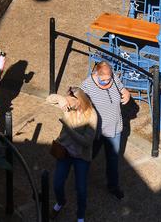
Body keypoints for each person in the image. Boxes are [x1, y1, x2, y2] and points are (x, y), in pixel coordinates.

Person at [80, 62, 130, 200]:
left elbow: (122, 88)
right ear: (96, 73)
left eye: (109, 78)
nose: (108, 81)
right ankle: (80, 181)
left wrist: (126, 93)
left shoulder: (113, 78)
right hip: (96, 131)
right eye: (105, 79)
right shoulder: (87, 85)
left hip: (114, 128)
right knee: (87, 157)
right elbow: (77, 100)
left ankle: (113, 187)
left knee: (113, 160)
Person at [47, 86, 98, 221]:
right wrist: (60, 99)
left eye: (70, 102)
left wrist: (68, 128)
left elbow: (87, 142)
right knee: (57, 184)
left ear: (79, 101)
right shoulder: (67, 106)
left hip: (81, 156)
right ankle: (60, 202)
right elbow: (49, 99)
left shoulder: (92, 115)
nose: (67, 105)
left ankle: (80, 216)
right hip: (65, 153)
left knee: (81, 189)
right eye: (67, 101)